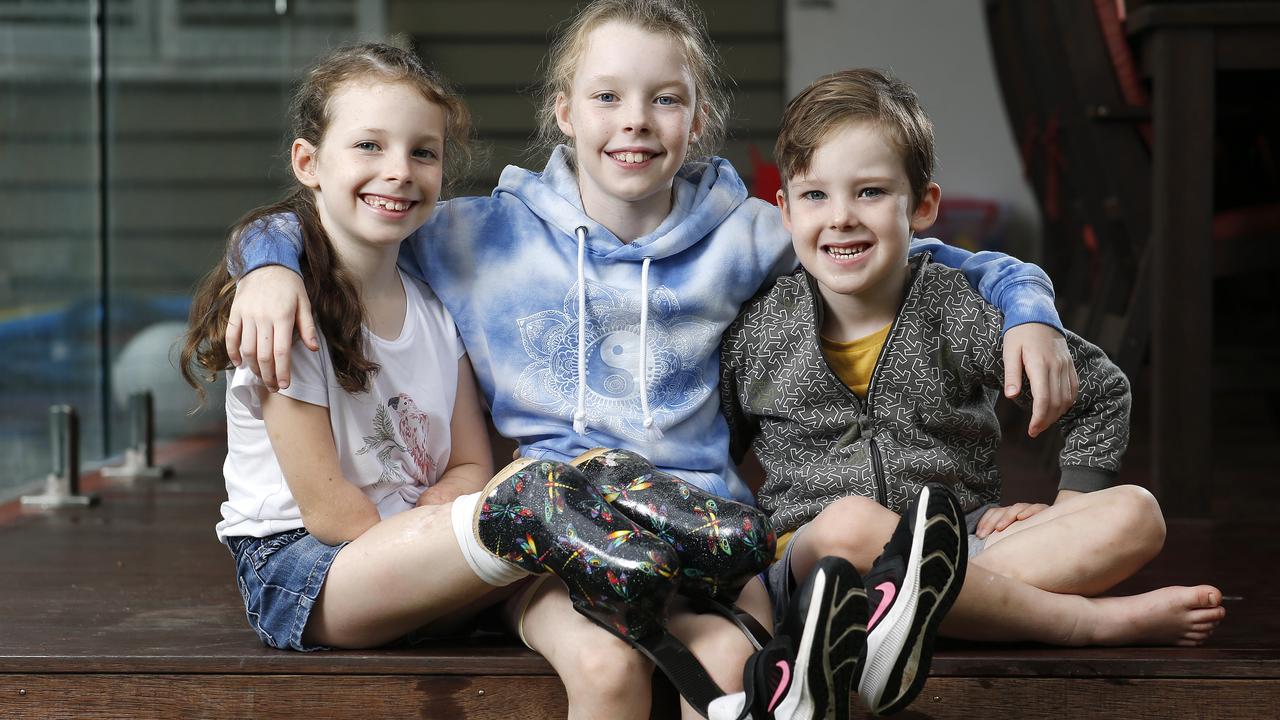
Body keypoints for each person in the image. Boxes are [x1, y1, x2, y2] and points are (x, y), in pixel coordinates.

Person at [220, 2, 1079, 717]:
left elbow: (906, 251)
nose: (634, 120)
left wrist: (1026, 310)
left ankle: (821, 665)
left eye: (664, 99)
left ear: (697, 119)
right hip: (556, 540)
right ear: (565, 111)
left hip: (707, 522)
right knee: (619, 658)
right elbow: (330, 220)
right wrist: (260, 261)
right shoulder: (477, 237)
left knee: (744, 662)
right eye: (607, 96)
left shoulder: (747, 238)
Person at [719, 68, 1227, 714]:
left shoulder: (954, 310)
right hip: (822, 572)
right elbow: (714, 453)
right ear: (786, 210)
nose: (841, 217)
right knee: (847, 522)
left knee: (1136, 513)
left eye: (870, 191)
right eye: (815, 195)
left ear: (923, 207)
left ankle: (907, 621)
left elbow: (1100, 390)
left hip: (963, 542)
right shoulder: (760, 330)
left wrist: (1068, 504)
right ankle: (1078, 621)